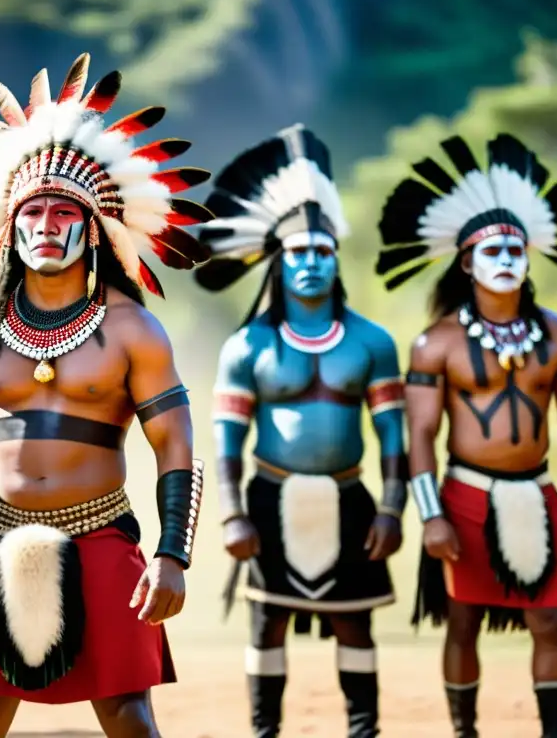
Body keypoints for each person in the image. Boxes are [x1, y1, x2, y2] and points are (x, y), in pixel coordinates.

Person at [0, 52, 212, 737]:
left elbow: (176, 446)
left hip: (103, 538)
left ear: (95, 228)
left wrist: (172, 555)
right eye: (31, 212)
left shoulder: (134, 329)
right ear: (8, 227)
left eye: (61, 212)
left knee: (129, 717)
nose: (44, 225)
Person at [375, 132, 557, 738]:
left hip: (539, 494)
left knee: (551, 622)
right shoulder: (435, 342)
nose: (505, 259)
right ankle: (464, 731)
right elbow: (419, 433)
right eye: (491, 250)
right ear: (466, 262)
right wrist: (431, 515)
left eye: (516, 250)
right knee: (463, 622)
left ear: (529, 260)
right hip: (464, 496)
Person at [195, 125, 407, 738]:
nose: (310, 263)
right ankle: (266, 731)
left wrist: (391, 509)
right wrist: (232, 515)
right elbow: (227, 443)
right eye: (297, 253)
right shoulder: (248, 346)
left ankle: (363, 730)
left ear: (336, 256)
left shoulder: (372, 342)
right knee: (267, 623)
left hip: (349, 497)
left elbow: (393, 434)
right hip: (270, 495)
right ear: (279, 261)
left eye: (321, 251)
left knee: (355, 623)